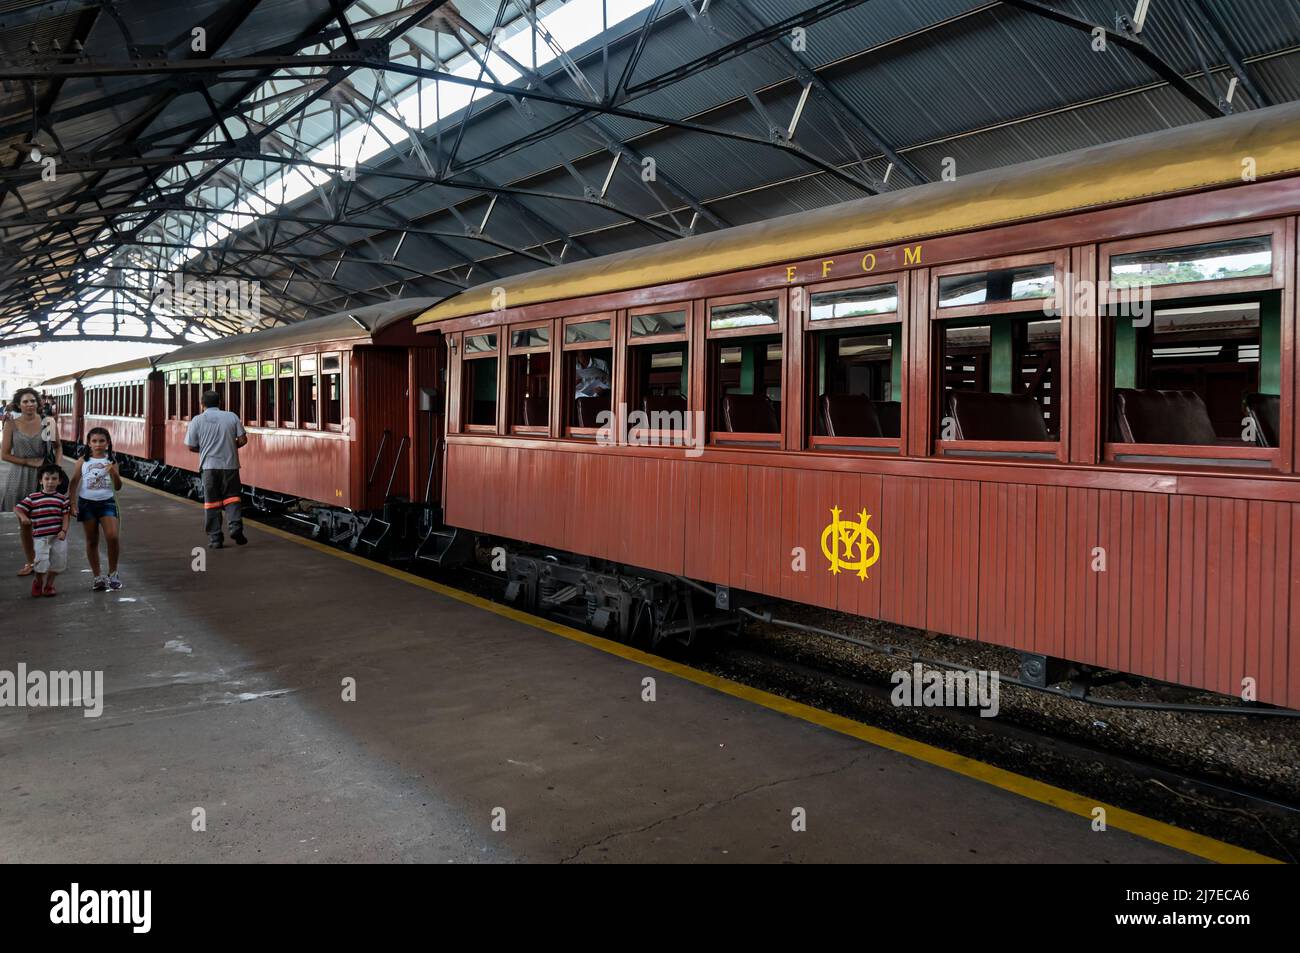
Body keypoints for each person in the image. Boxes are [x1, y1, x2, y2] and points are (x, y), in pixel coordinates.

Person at [1, 387, 62, 576]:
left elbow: (58, 448)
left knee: (46, 521)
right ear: (19, 404)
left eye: (33, 401)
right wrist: (28, 461)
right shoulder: (11, 424)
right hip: (19, 477)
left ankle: (45, 559)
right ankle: (31, 561)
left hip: (43, 478)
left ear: (38, 403)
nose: (29, 405)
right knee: (25, 524)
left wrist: (55, 470)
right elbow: (4, 454)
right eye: (25, 402)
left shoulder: (47, 422)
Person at [185, 390, 248, 549]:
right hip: (230, 465)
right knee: (232, 498)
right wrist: (231, 447)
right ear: (220, 402)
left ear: (202, 404)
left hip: (209, 467)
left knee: (212, 502)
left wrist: (206, 449)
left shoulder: (197, 420)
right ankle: (235, 527)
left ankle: (215, 539)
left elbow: (191, 446)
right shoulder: (231, 416)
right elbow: (243, 439)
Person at [69, 427, 123, 592]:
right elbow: (73, 483)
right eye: (94, 441)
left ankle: (113, 574)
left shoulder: (111, 461)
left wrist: (113, 472)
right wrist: (72, 503)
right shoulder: (82, 461)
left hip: (107, 502)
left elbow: (118, 486)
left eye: (101, 441)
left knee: (112, 537)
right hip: (87, 504)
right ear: (88, 443)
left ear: (108, 443)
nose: (98, 444)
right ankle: (97, 577)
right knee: (92, 540)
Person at [14, 464, 70, 597]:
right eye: (47, 478)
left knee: (58, 563)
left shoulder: (63, 499)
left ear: (59, 481)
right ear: (41, 480)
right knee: (40, 562)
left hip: (58, 536)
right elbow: (17, 508)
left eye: (54, 479)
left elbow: (66, 517)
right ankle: (38, 582)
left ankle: (49, 584)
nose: (50, 482)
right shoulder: (33, 497)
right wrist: (23, 517)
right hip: (40, 537)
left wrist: (64, 530)